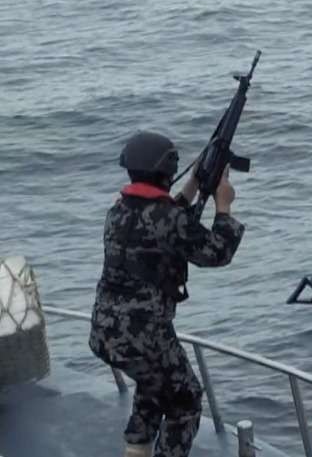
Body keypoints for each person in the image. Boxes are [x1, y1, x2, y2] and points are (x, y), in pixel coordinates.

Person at [89, 130, 245, 457]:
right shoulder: (170, 219)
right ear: (168, 170)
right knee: (185, 401)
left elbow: (163, 217)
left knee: (153, 386)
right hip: (144, 335)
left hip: (106, 331)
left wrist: (194, 184)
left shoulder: (118, 211)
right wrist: (223, 207)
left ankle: (136, 450)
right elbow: (217, 253)